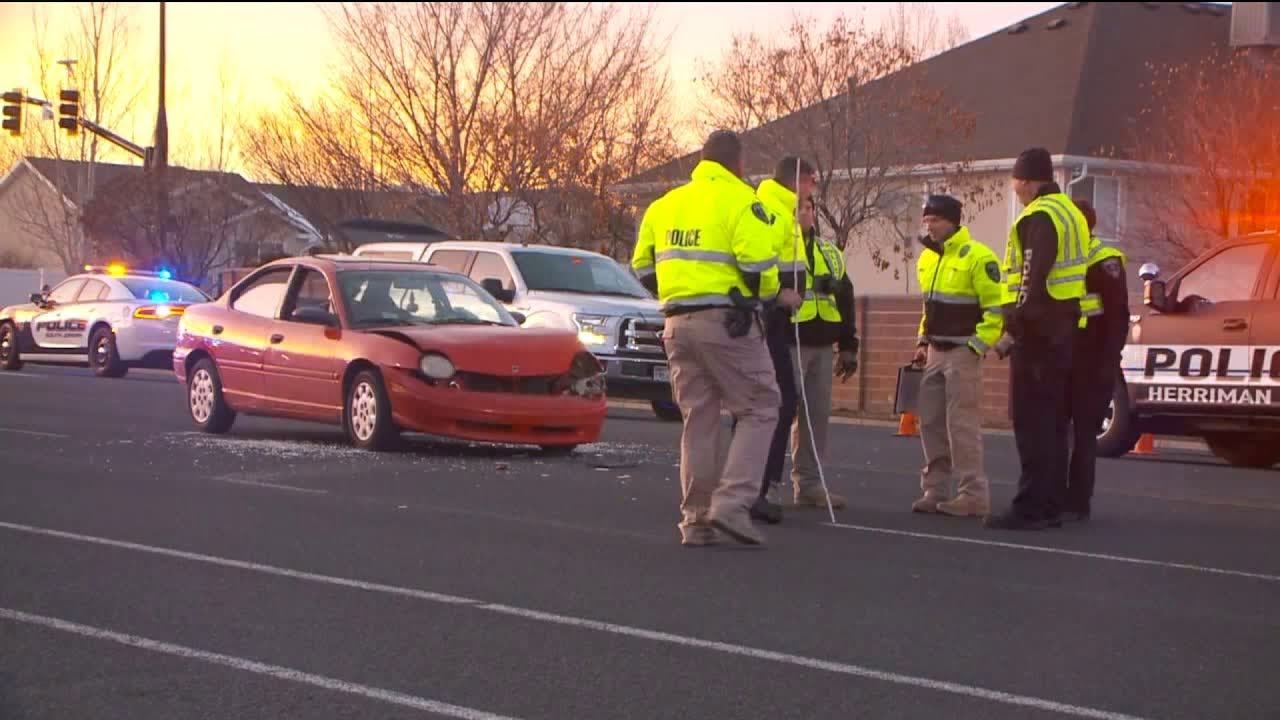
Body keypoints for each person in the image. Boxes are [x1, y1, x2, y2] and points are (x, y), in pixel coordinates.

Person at [630, 129, 801, 547]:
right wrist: (770, 297)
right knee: (762, 406)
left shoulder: (664, 205)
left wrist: (677, 295)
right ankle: (732, 503)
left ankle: (696, 520)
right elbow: (759, 265)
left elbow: (641, 265)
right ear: (738, 164)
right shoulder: (745, 202)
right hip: (727, 323)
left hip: (676, 324)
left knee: (699, 419)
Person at [984, 147, 1090, 531]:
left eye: (1016, 182)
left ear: (1026, 180)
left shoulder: (1039, 217)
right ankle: (1051, 503)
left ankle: (1031, 506)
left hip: (1038, 334)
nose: (1015, 190)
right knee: (1054, 423)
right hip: (1063, 329)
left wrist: (1013, 331)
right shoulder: (1071, 213)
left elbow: (1032, 279)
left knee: (1032, 424)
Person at [910, 194, 1004, 518]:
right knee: (931, 422)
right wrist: (923, 342)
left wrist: (979, 344)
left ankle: (973, 494)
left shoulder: (978, 257)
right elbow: (929, 307)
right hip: (935, 350)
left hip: (963, 351)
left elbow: (996, 309)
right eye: (927, 220)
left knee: (962, 425)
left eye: (934, 220)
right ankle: (935, 489)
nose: (929, 226)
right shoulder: (927, 259)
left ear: (952, 220)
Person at [747, 156, 815, 524]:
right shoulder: (771, 213)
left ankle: (755, 484)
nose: (812, 192)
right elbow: (758, 264)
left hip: (778, 322)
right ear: (801, 181)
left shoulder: (786, 215)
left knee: (779, 400)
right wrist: (777, 297)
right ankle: (758, 484)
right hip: (766, 320)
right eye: (811, 183)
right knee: (776, 400)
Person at [788, 195, 855, 512]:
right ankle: (765, 487)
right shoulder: (781, 249)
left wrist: (849, 346)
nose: (807, 213)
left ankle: (810, 486)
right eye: (800, 208)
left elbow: (846, 300)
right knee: (775, 415)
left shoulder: (830, 252)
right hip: (789, 343)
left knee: (815, 419)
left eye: (810, 208)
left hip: (822, 345)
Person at [1064, 198, 1129, 522]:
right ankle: (1052, 496)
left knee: (1083, 434)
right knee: (1054, 432)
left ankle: (1077, 502)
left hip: (1092, 358)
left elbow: (1116, 315)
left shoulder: (1105, 259)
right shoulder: (1059, 255)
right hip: (1061, 354)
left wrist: (1108, 360)